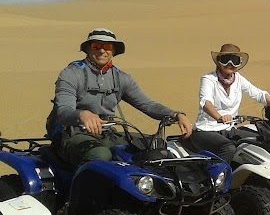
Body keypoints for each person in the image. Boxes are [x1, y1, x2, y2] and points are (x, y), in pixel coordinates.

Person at [47, 28, 193, 167]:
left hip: (106, 134)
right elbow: (63, 110)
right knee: (99, 154)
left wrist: (176, 115)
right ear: (88, 49)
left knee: (156, 144)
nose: (102, 50)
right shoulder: (71, 74)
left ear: (114, 50)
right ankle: (82, 185)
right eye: (96, 46)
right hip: (71, 134)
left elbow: (147, 105)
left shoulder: (121, 78)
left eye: (107, 46)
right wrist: (81, 115)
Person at [190, 43, 270, 162]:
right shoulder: (209, 79)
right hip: (206, 130)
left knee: (263, 140)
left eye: (235, 60)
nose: (230, 64)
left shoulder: (238, 79)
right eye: (226, 59)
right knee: (228, 148)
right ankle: (219, 174)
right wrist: (219, 117)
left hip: (228, 130)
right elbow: (206, 103)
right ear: (219, 61)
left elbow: (259, 95)